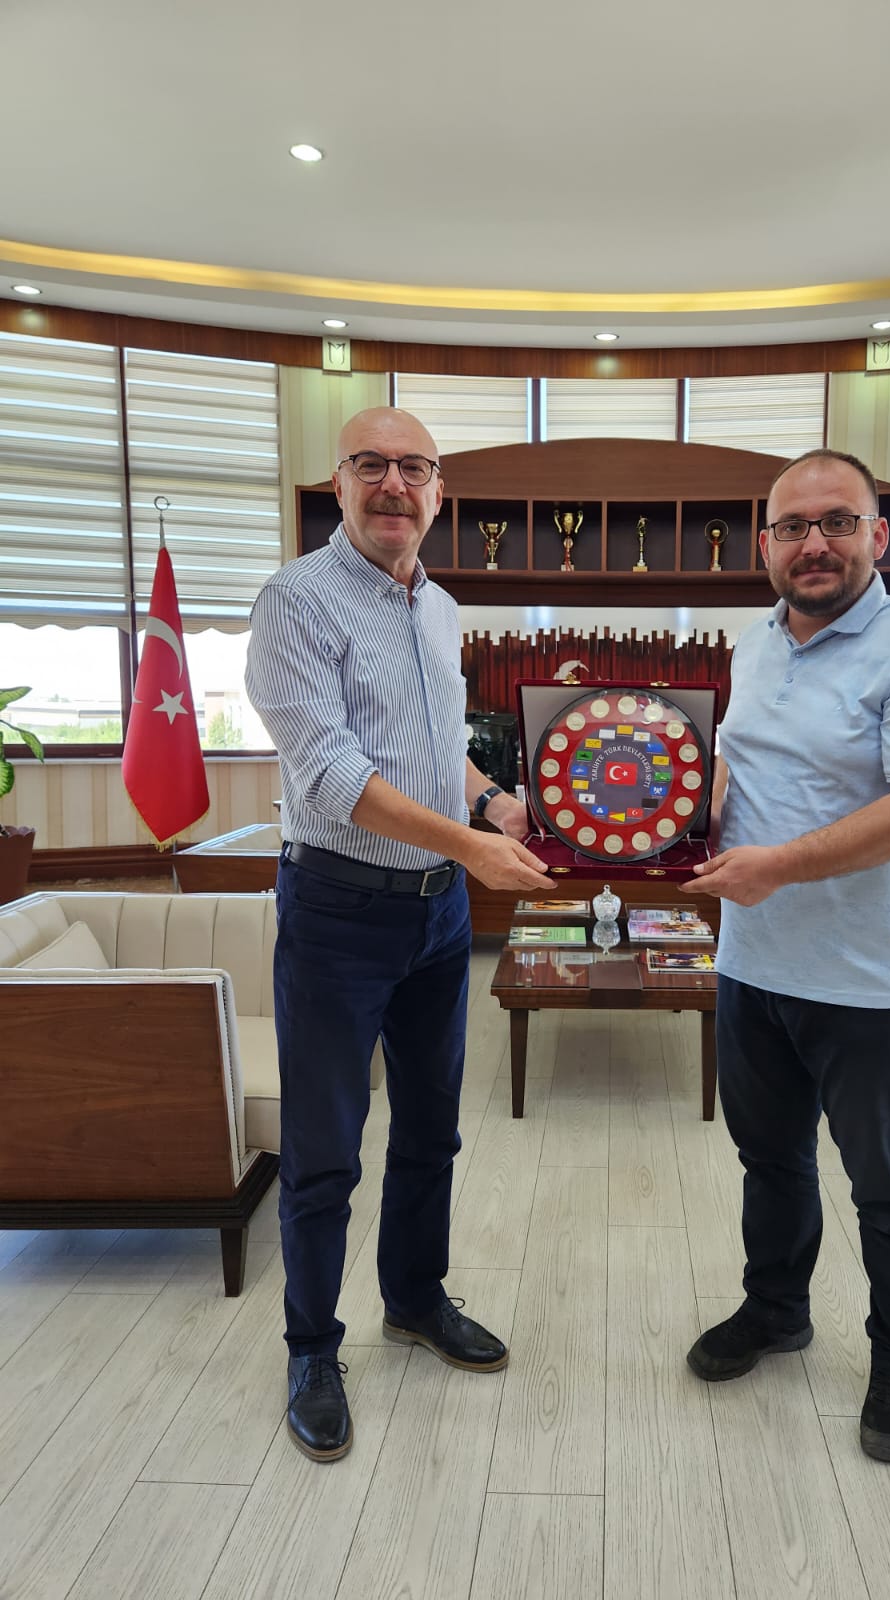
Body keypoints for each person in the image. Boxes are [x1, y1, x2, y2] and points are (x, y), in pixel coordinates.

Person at [246, 406, 549, 1463]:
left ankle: (415, 1299)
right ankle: (311, 1351)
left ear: (438, 491)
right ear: (339, 484)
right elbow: (333, 773)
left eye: (413, 467)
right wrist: (471, 847)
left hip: (437, 916)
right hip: (337, 911)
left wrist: (492, 800)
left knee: (431, 1129)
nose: (394, 484)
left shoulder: (441, 605)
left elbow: (428, 746)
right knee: (326, 1150)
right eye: (371, 464)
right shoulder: (295, 600)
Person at [681, 448, 890, 1464]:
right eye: (793, 527)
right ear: (764, 543)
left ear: (877, 536)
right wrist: (681, 817)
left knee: (889, 1190)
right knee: (770, 1162)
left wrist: (778, 866)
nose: (813, 544)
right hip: (755, 965)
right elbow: (741, 765)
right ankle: (776, 1309)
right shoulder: (754, 643)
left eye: (837, 522)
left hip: (875, 981)